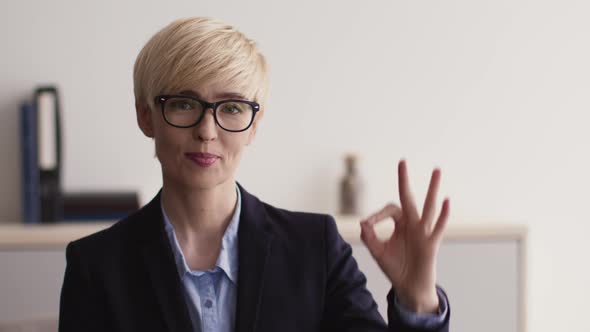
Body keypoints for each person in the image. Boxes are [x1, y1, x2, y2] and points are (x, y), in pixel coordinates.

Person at [59, 17, 451, 332]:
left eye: (230, 108)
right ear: (146, 116)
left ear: (254, 124)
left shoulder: (315, 248)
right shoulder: (96, 265)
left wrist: (417, 300)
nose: (207, 131)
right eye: (183, 103)